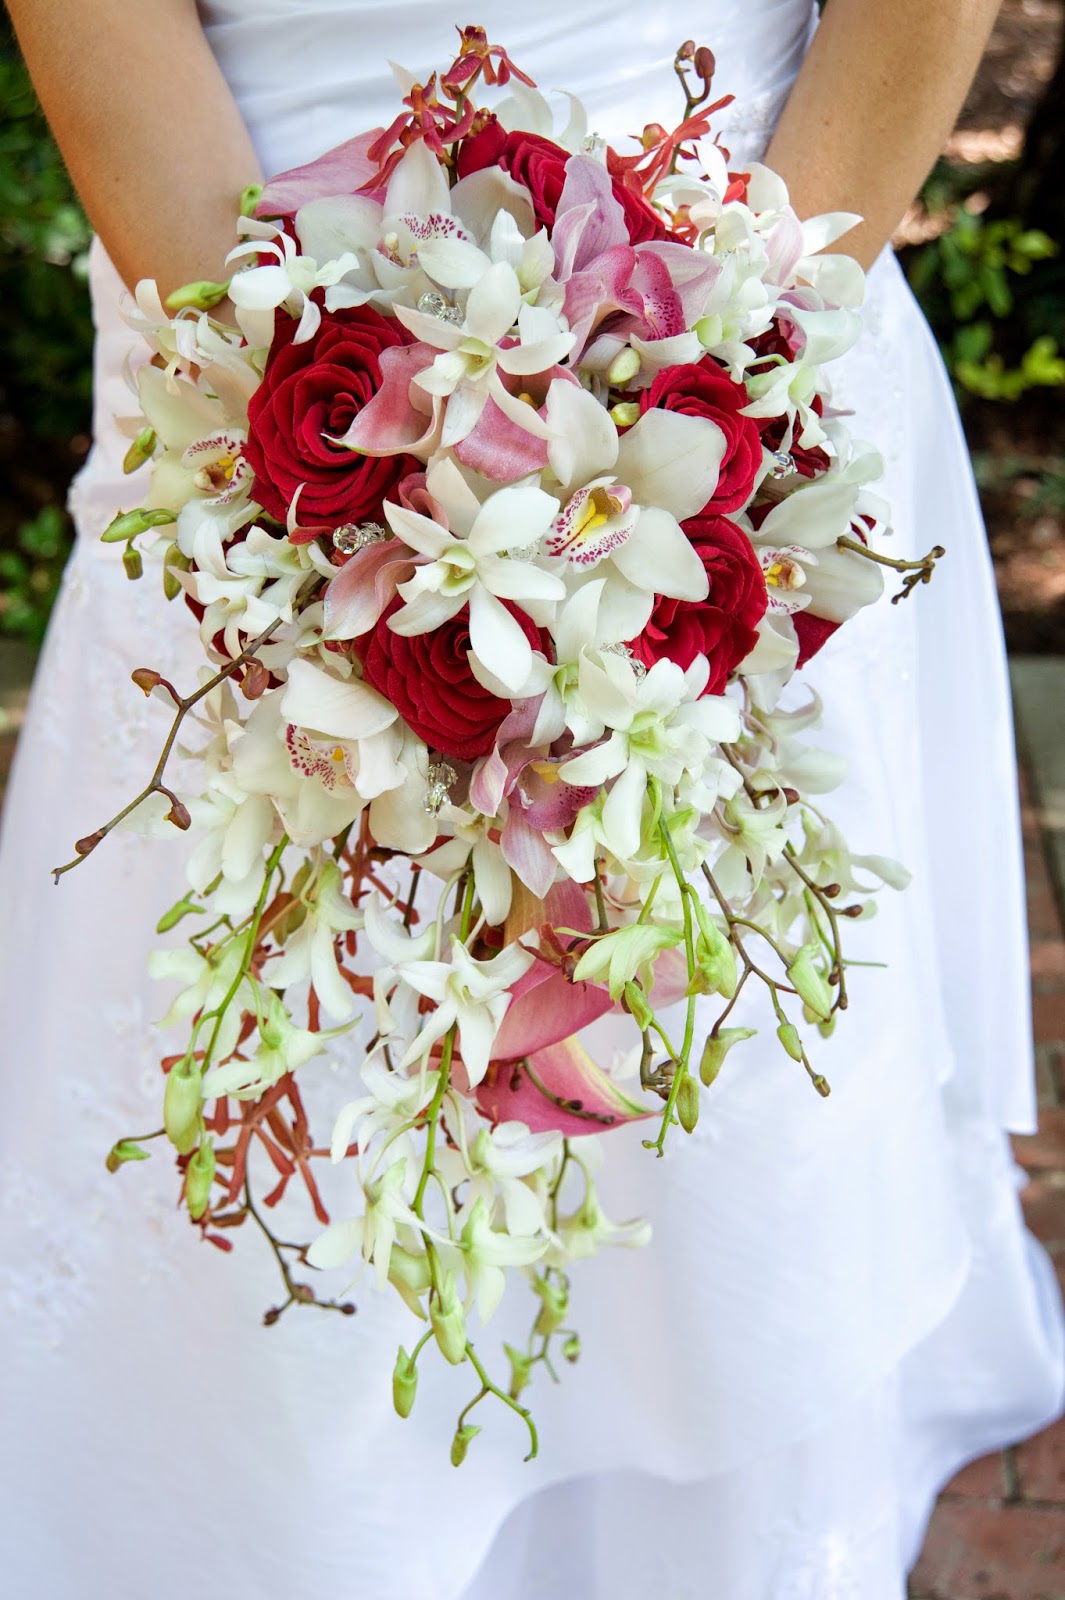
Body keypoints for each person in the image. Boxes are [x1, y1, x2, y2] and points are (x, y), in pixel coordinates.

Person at [2, 2, 1062, 1596]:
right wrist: (329, 478)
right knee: (297, 1055)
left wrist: (733, 368)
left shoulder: (738, 368)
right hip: (243, 356)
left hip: (740, 309)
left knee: (707, 1074)